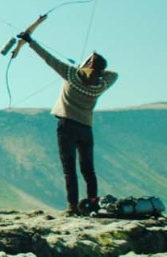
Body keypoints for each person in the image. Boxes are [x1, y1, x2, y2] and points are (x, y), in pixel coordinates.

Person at [17, 31, 118, 216]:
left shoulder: (71, 74)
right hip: (86, 129)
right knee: (89, 170)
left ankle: (72, 207)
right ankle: (92, 205)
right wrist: (97, 72)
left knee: (69, 169)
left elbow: (48, 58)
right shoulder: (101, 85)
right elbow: (113, 74)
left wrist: (30, 41)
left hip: (67, 126)